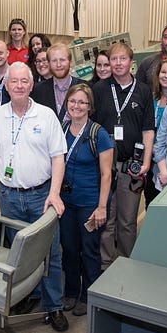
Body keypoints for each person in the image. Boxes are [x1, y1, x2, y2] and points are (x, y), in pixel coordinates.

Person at [0, 62, 69, 332]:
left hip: (41, 196)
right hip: (8, 196)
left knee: (50, 253)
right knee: (18, 254)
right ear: (6, 86)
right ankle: (29, 296)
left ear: (31, 85)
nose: (18, 86)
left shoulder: (46, 115)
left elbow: (58, 158)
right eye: (14, 81)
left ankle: (54, 306)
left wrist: (54, 193)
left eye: (24, 81)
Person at [91, 42, 155, 267]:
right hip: (105, 166)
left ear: (131, 62)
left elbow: (148, 130)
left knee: (127, 221)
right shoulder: (99, 90)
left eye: (122, 59)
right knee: (106, 219)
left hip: (131, 166)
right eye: (114, 60)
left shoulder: (144, 91)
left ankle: (128, 265)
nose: (118, 64)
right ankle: (106, 265)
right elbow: (92, 127)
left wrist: (146, 162)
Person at [59, 83, 114, 317]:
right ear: (67, 103)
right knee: (69, 249)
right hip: (66, 202)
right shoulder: (61, 129)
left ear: (89, 106)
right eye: (73, 101)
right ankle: (71, 291)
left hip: (90, 204)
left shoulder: (98, 134)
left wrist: (102, 207)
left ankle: (87, 294)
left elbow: (106, 174)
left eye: (82, 102)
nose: (76, 106)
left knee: (89, 250)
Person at [31, 43, 85, 121]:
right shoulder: (38, 90)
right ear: (49, 63)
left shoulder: (85, 88)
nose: (58, 65)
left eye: (62, 60)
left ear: (70, 62)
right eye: (54, 61)